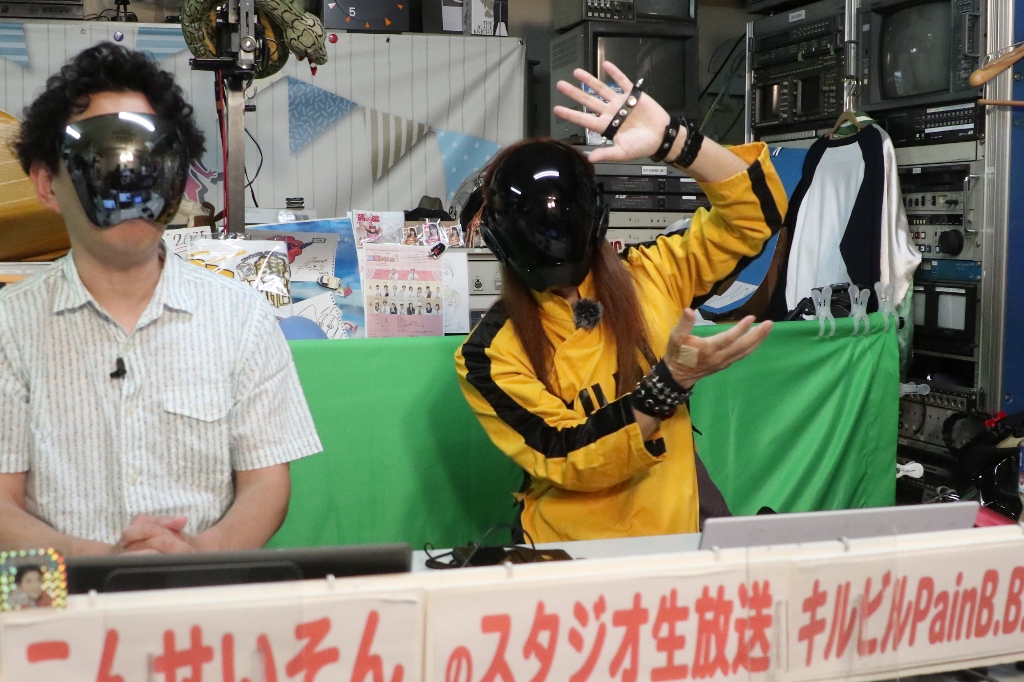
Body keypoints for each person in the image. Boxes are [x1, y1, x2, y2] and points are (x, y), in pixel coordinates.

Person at [0, 44, 322, 556]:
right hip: (64, 597)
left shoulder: (240, 316)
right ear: (46, 183)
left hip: (203, 594)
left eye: (150, 160)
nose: (130, 182)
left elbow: (266, 485)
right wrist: (104, 563)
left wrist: (197, 555)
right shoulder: (9, 328)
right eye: (105, 161)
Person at [455, 61, 787, 541]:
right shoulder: (488, 354)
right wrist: (667, 385)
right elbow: (566, 454)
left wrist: (675, 141)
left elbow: (757, 213)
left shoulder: (653, 272)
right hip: (570, 556)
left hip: (673, 537)